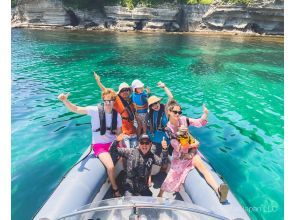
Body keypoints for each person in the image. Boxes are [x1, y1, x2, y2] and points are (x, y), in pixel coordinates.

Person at [158, 100, 229, 203]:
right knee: (171, 176)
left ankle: (218, 190)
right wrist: (194, 143)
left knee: (203, 168)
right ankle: (160, 194)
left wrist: (205, 114)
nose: (178, 114)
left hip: (192, 152)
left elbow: (199, 122)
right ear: (169, 112)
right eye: (175, 112)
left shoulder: (184, 119)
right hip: (180, 155)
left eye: (179, 112)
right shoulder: (168, 129)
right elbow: (177, 147)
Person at [58, 89, 122, 197]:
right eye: (105, 101)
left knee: (125, 158)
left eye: (110, 101)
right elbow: (76, 109)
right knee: (110, 167)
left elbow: (119, 131)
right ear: (103, 100)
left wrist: (114, 131)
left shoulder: (117, 115)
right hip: (100, 146)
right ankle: (115, 188)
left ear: (114, 101)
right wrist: (65, 101)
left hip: (112, 143)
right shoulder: (95, 110)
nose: (107, 103)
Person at [94, 72, 138, 148]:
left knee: (135, 150)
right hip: (124, 133)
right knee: (127, 152)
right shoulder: (117, 100)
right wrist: (99, 82)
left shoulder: (131, 101)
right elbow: (106, 91)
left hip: (133, 132)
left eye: (127, 90)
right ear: (119, 92)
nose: (125, 92)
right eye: (123, 90)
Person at [147, 81, 174, 157]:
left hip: (166, 138)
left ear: (159, 102)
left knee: (167, 155)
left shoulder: (165, 109)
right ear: (151, 107)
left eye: (156, 103)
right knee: (153, 155)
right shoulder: (151, 112)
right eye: (152, 105)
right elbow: (150, 101)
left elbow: (171, 98)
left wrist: (164, 87)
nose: (155, 106)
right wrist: (149, 93)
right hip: (155, 138)